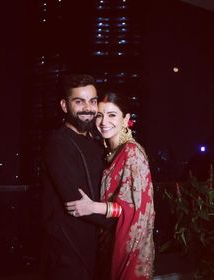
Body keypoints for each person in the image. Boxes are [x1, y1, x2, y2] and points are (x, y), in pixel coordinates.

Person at [66, 91, 155, 280]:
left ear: (126, 119)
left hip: (127, 249)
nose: (104, 121)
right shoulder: (111, 153)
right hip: (108, 242)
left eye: (112, 115)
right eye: (100, 115)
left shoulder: (132, 153)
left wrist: (92, 207)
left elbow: (133, 210)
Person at [41, 74, 114, 280]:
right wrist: (126, 221)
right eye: (79, 101)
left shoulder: (97, 142)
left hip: (93, 249)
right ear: (64, 106)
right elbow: (77, 204)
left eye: (92, 101)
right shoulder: (58, 144)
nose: (88, 108)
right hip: (67, 255)